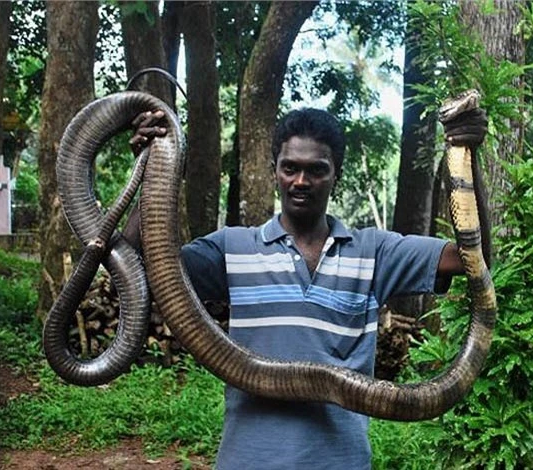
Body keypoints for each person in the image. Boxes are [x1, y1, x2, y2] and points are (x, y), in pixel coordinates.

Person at [129, 105, 487, 469]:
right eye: (290, 168)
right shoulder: (231, 248)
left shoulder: (375, 252)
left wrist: (467, 159)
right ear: (275, 172)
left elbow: (474, 258)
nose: (301, 181)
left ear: (336, 175)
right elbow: (140, 266)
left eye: (316, 170)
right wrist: (153, 168)